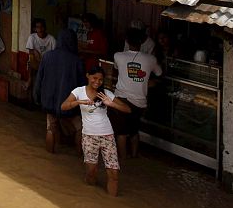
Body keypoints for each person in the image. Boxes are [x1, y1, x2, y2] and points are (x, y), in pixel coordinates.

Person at [61, 66, 131, 196]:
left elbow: (127, 109)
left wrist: (111, 104)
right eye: (94, 78)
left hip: (108, 137)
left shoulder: (106, 93)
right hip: (89, 137)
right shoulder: (78, 91)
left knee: (114, 174)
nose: (97, 82)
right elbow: (63, 106)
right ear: (88, 76)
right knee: (91, 173)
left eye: (100, 80)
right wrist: (78, 102)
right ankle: (92, 199)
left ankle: (111, 204)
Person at [111, 28, 162, 160]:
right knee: (134, 131)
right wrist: (148, 81)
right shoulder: (151, 59)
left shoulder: (118, 56)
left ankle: (123, 160)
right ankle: (134, 156)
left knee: (121, 133)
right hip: (140, 103)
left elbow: (117, 70)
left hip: (121, 100)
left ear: (127, 41)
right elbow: (159, 73)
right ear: (142, 42)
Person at [35, 28, 85, 154]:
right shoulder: (77, 61)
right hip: (69, 104)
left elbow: (39, 79)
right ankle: (80, 157)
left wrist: (36, 96)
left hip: (49, 101)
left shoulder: (47, 56)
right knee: (80, 129)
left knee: (51, 128)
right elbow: (82, 85)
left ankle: (49, 158)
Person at [24, 18, 56, 101]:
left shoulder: (51, 39)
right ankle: (30, 79)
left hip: (48, 64)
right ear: (35, 29)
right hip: (36, 62)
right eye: (37, 27)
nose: (40, 29)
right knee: (30, 59)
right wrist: (35, 52)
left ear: (45, 28)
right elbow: (30, 51)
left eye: (42, 27)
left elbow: (55, 54)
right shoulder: (32, 37)